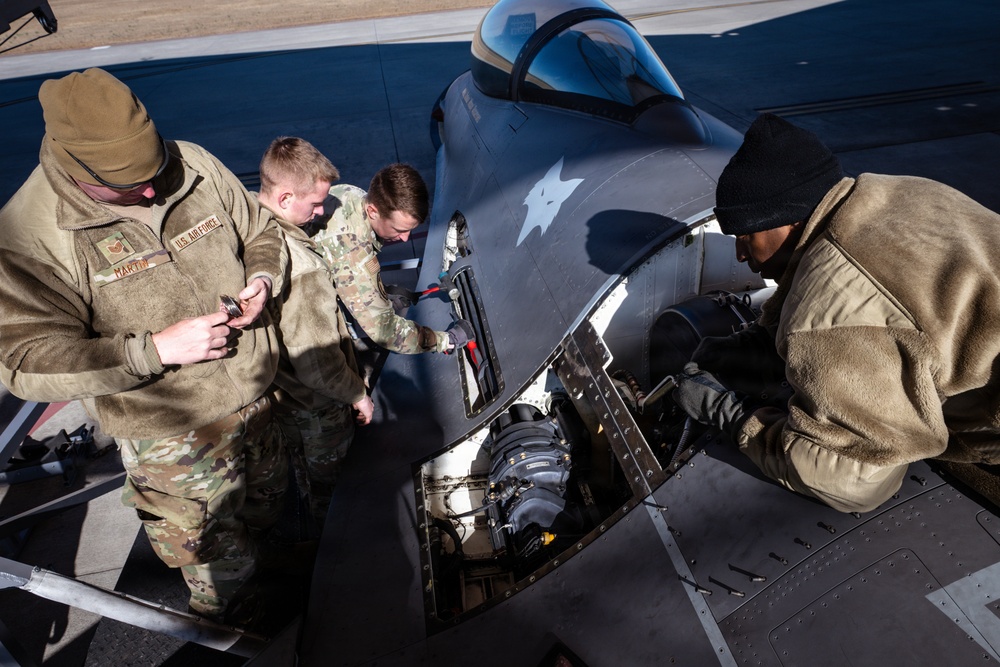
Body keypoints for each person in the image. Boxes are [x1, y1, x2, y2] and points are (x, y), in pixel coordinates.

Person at [0, 68, 288, 625]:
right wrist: (151, 350)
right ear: (74, 167)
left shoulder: (194, 164)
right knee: (210, 556)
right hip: (172, 439)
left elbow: (260, 230)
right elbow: (26, 362)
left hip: (256, 397)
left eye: (155, 171)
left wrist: (262, 280)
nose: (154, 191)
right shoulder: (31, 236)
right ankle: (231, 629)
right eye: (129, 186)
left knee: (267, 510)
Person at [671, 112, 1000, 514]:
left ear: (788, 220)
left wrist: (735, 416)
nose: (741, 255)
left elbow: (858, 480)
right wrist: (762, 344)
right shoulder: (900, 190)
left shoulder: (827, 307)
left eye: (746, 236)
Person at [256, 136, 374, 532]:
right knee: (337, 496)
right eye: (316, 203)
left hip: (280, 397)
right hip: (316, 410)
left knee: (306, 481)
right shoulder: (302, 265)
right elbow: (318, 362)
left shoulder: (254, 229)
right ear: (286, 198)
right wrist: (357, 393)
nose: (322, 212)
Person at [306, 157, 474, 357]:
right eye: (399, 229)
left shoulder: (352, 195)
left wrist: (381, 298)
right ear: (373, 211)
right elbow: (383, 331)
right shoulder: (352, 252)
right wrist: (446, 340)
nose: (405, 239)